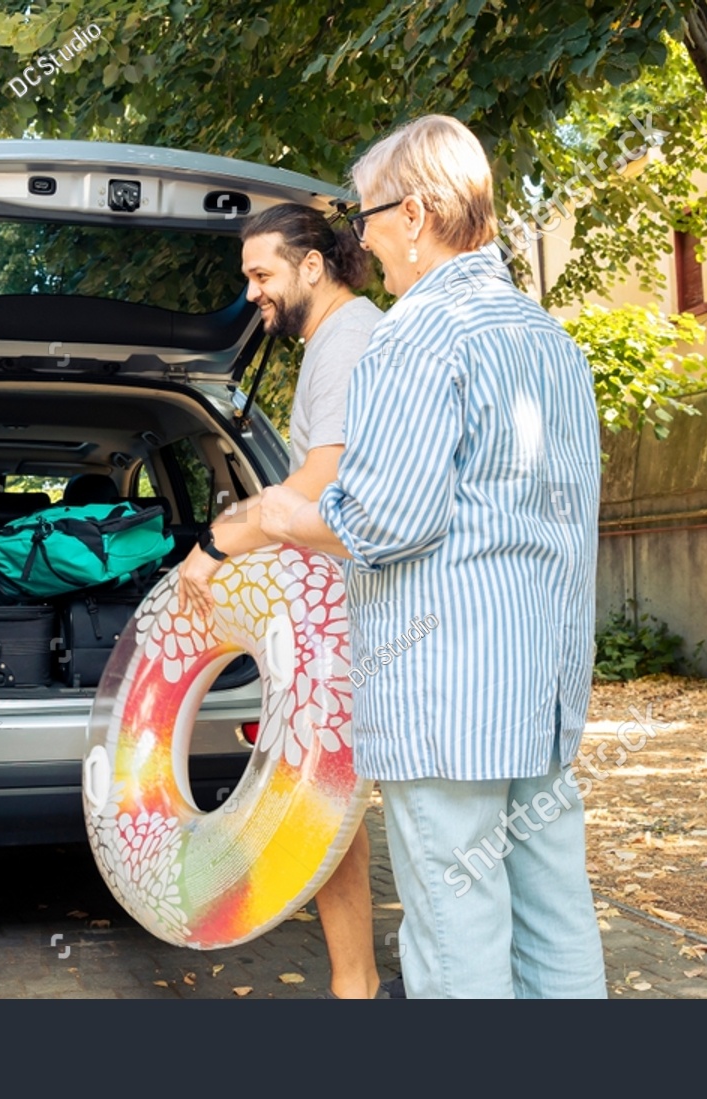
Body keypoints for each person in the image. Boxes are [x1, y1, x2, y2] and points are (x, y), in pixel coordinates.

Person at [258, 115, 607, 999]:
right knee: (555, 917)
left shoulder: (414, 336)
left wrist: (284, 515)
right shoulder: (549, 340)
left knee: (457, 940)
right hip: (543, 684)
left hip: (445, 695)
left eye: (366, 216)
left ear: (412, 213)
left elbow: (382, 519)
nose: (360, 239)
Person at [177, 203, 388, 999]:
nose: (252, 293)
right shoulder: (336, 338)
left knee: (338, 797)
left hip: (369, 616)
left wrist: (217, 541)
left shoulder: (345, 340)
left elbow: (319, 485)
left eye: (261, 275)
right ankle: (355, 981)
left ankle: (364, 984)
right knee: (332, 799)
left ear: (311, 264)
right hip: (344, 612)